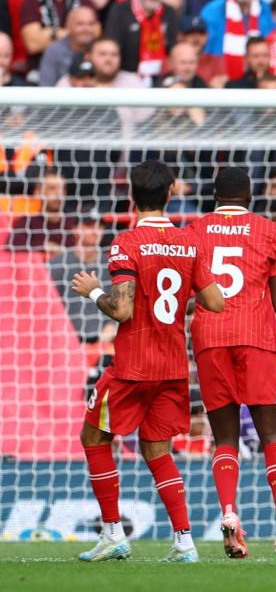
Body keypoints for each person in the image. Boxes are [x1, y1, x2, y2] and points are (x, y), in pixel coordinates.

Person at [69, 160, 224, 563]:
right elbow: (215, 301)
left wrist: (92, 292)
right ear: (171, 192)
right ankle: (185, 542)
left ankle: (114, 533)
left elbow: (121, 311)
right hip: (173, 367)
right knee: (157, 450)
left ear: (130, 195)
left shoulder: (127, 242)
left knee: (93, 438)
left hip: (132, 366)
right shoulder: (191, 242)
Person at [186, 167, 276, 559]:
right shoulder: (269, 230)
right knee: (273, 436)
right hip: (256, 339)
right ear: (249, 196)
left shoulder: (195, 230)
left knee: (224, 439)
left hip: (210, 339)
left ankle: (229, 513)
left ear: (214, 196)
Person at [47, 213, 110, 343]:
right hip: (63, 341)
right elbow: (48, 307)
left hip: (103, 342)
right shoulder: (57, 265)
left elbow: (118, 304)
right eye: (89, 225)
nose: (95, 231)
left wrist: (112, 328)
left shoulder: (112, 266)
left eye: (100, 226)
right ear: (75, 229)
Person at [200, 0, 276, 80]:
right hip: (221, 79)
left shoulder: (267, 10)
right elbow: (205, 53)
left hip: (262, 80)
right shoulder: (212, 11)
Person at [105, 0, 178, 82]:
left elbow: (173, 47)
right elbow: (113, 45)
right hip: (127, 75)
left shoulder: (169, 12)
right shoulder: (119, 11)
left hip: (161, 76)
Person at [7, 171, 76, 253]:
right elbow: (13, 243)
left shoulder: (73, 222)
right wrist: (45, 246)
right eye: (52, 188)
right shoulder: (29, 221)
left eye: (63, 189)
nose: (59, 194)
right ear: (38, 192)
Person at [19, 0, 97, 61]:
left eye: (81, 24)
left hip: (82, 63)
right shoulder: (32, 2)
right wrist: (76, 34)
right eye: (80, 24)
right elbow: (33, 44)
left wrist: (50, 34)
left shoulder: (85, 2)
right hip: (40, 64)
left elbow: (95, 37)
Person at [37, 5, 99, 86]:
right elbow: (45, 87)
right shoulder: (54, 51)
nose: (86, 29)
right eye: (80, 24)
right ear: (68, 26)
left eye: (91, 24)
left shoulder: (102, 50)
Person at [55, 37, 145, 88]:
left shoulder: (133, 82)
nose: (109, 59)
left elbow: (147, 120)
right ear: (88, 56)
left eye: (114, 54)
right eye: (103, 54)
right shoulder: (69, 81)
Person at [177, 15, 229, 87]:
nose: (196, 38)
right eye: (190, 33)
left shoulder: (216, 62)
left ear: (207, 36)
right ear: (180, 36)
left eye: (201, 33)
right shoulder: (171, 61)